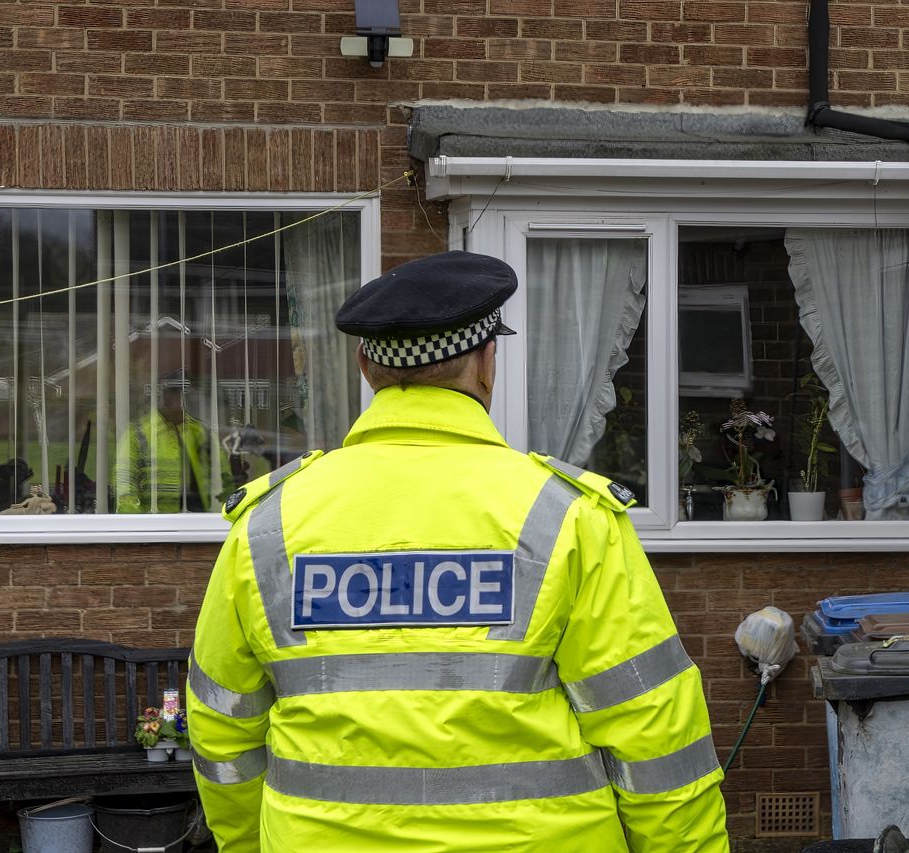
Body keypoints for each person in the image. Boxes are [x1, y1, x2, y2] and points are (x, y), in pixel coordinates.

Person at [187, 251, 731, 852]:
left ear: (367, 367)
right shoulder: (569, 517)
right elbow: (654, 733)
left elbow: (223, 733)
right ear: (485, 364)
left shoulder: (267, 525)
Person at [113, 369, 232, 513]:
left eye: (189, 393)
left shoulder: (201, 432)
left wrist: (229, 513)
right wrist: (134, 522)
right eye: (178, 393)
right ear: (165, 396)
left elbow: (223, 477)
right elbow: (124, 479)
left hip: (199, 520)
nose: (185, 399)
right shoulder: (138, 432)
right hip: (155, 521)